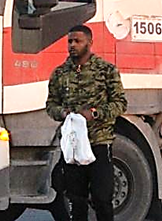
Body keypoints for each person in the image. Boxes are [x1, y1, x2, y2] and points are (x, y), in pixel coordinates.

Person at [46, 25, 127, 221]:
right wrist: (63, 113)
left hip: (99, 143)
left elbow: (120, 103)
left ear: (89, 43)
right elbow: (51, 104)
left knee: (102, 198)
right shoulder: (60, 74)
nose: (72, 45)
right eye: (69, 41)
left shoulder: (106, 70)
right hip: (73, 148)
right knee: (75, 199)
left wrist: (95, 113)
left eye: (77, 41)